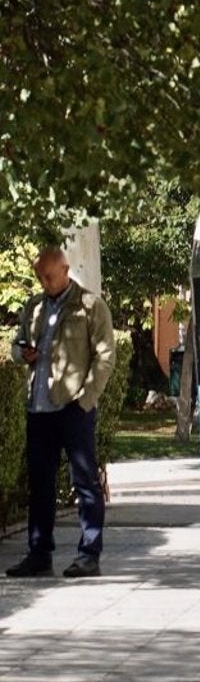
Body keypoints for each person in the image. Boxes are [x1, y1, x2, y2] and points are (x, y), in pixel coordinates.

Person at [7, 247, 116, 579]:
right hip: (38, 407)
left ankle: (89, 555)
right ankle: (40, 554)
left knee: (84, 482)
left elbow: (105, 355)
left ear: (66, 269)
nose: (44, 281)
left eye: (49, 275)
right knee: (40, 484)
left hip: (73, 407)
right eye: (40, 276)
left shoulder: (89, 306)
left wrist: (85, 399)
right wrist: (20, 353)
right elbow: (17, 343)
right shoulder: (34, 306)